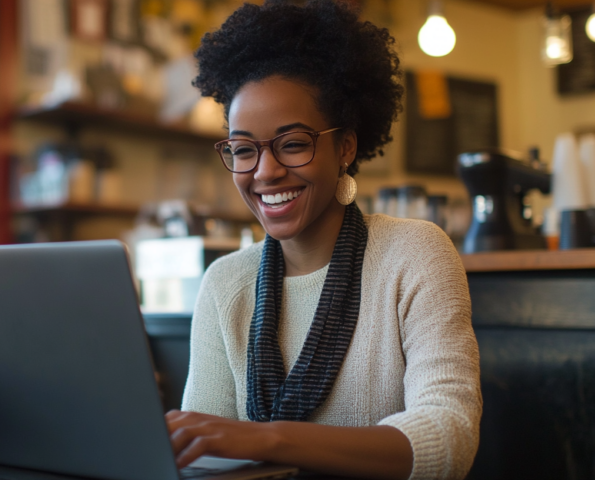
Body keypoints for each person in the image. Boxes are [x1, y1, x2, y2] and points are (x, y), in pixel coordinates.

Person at [164, 2, 482, 480]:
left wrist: (269, 437)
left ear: (346, 148)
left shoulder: (414, 255)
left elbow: (449, 437)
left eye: (292, 143)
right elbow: (203, 455)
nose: (265, 172)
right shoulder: (225, 284)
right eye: (244, 150)